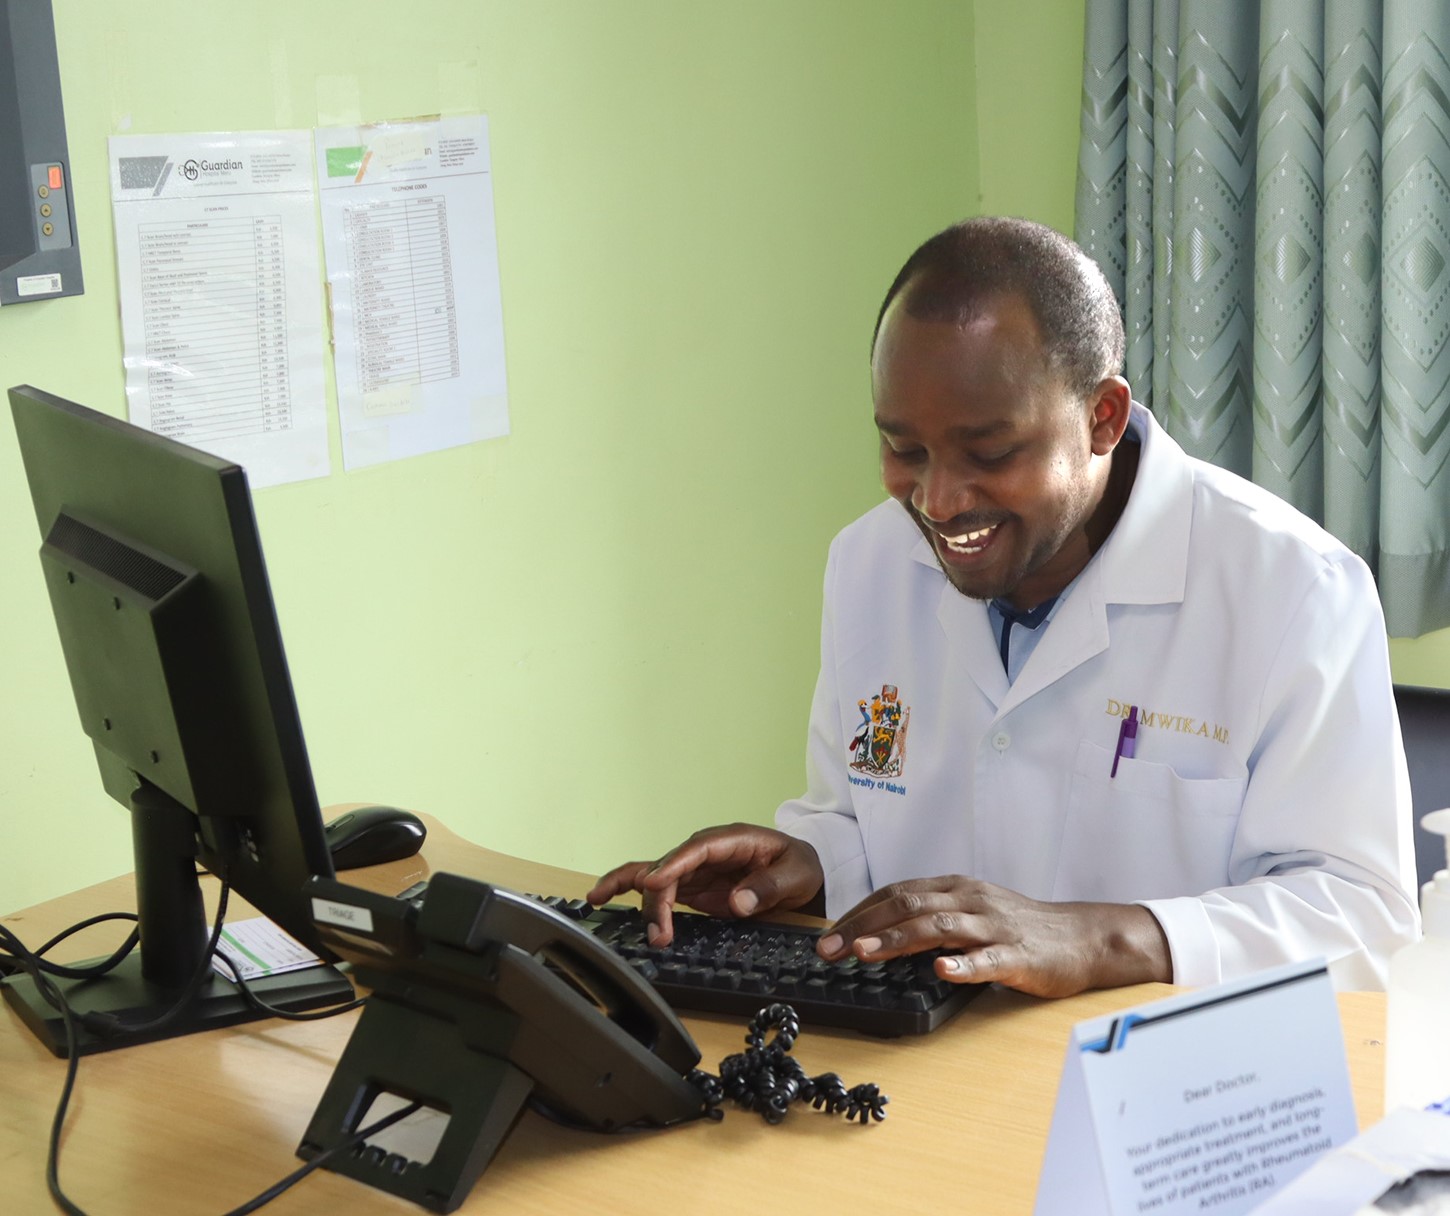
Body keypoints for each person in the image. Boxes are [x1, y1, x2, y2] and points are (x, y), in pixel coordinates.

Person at [589, 217, 1420, 997]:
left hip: (1179, 1097)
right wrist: (811, 862)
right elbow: (863, 810)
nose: (939, 499)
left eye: (990, 452)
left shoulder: (1292, 588)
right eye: (901, 448)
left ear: (1102, 418)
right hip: (935, 1068)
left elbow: (1363, 916)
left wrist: (1102, 939)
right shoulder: (869, 563)